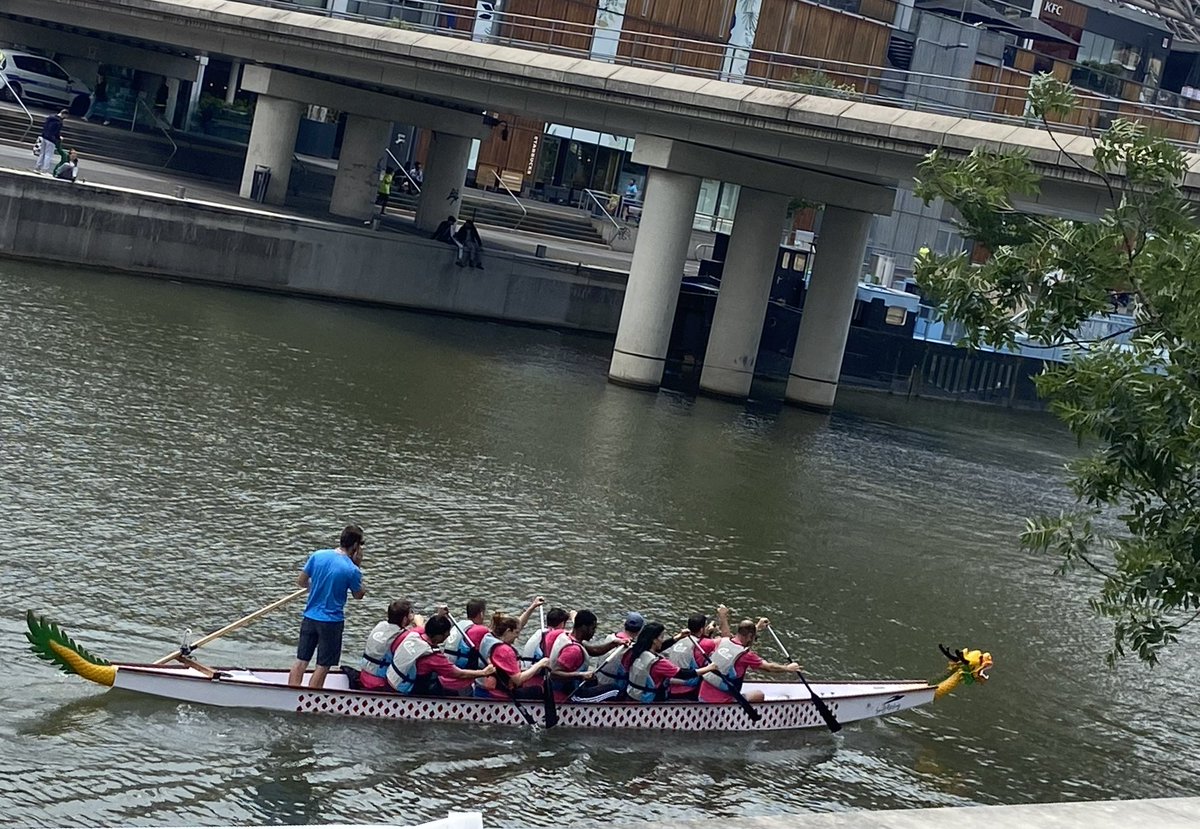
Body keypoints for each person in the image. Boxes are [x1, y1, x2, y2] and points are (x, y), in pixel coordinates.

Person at [286, 525, 367, 689]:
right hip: (331, 622)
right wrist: (358, 566)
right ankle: (311, 698)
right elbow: (359, 595)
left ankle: (291, 692)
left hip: (310, 616)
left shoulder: (318, 555)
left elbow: (301, 581)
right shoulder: (351, 569)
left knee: (301, 660)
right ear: (355, 546)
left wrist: (315, 588)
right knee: (323, 665)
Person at [386, 614, 494, 696]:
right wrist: (484, 672)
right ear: (437, 636)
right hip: (409, 691)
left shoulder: (415, 634)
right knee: (459, 692)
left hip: (391, 681)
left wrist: (440, 614)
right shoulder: (433, 657)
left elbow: (423, 626)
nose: (447, 636)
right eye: (446, 634)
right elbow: (459, 674)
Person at [698, 618, 800, 704]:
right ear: (750, 636)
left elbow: (743, 636)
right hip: (722, 702)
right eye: (753, 638)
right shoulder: (746, 655)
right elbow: (769, 667)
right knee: (759, 695)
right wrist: (787, 668)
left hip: (701, 697)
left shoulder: (720, 641)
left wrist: (758, 627)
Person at [623, 622, 714, 703]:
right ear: (654, 640)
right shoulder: (659, 663)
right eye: (662, 637)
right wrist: (708, 668)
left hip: (632, 697)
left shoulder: (636, 651)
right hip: (650, 703)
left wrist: (678, 637)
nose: (662, 640)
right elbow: (682, 674)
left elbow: (659, 647)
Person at [475, 613, 551, 700]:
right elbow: (518, 680)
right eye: (516, 633)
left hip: (480, 687)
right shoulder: (504, 650)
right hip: (497, 694)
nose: (517, 636)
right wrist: (540, 664)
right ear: (508, 631)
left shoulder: (488, 638)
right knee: (538, 690)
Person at [665, 605, 731, 700]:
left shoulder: (679, 638)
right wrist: (723, 616)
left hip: (670, 686)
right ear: (701, 629)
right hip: (689, 690)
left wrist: (706, 634)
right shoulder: (706, 643)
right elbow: (727, 640)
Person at [358, 599, 416, 691]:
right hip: (380, 684)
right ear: (405, 619)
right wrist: (418, 624)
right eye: (411, 613)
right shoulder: (401, 636)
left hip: (364, 676)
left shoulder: (381, 625)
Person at [588, 611, 645, 696]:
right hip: (614, 687)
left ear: (624, 625)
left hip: (599, 679)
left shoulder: (610, 637)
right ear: (640, 630)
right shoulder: (631, 648)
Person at [36, 110, 66, 175]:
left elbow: (45, 126)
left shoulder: (50, 117)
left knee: (42, 153)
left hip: (44, 136)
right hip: (51, 139)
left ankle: (38, 168)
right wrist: (59, 138)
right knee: (48, 155)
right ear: (64, 114)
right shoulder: (59, 122)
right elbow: (57, 132)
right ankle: (44, 170)